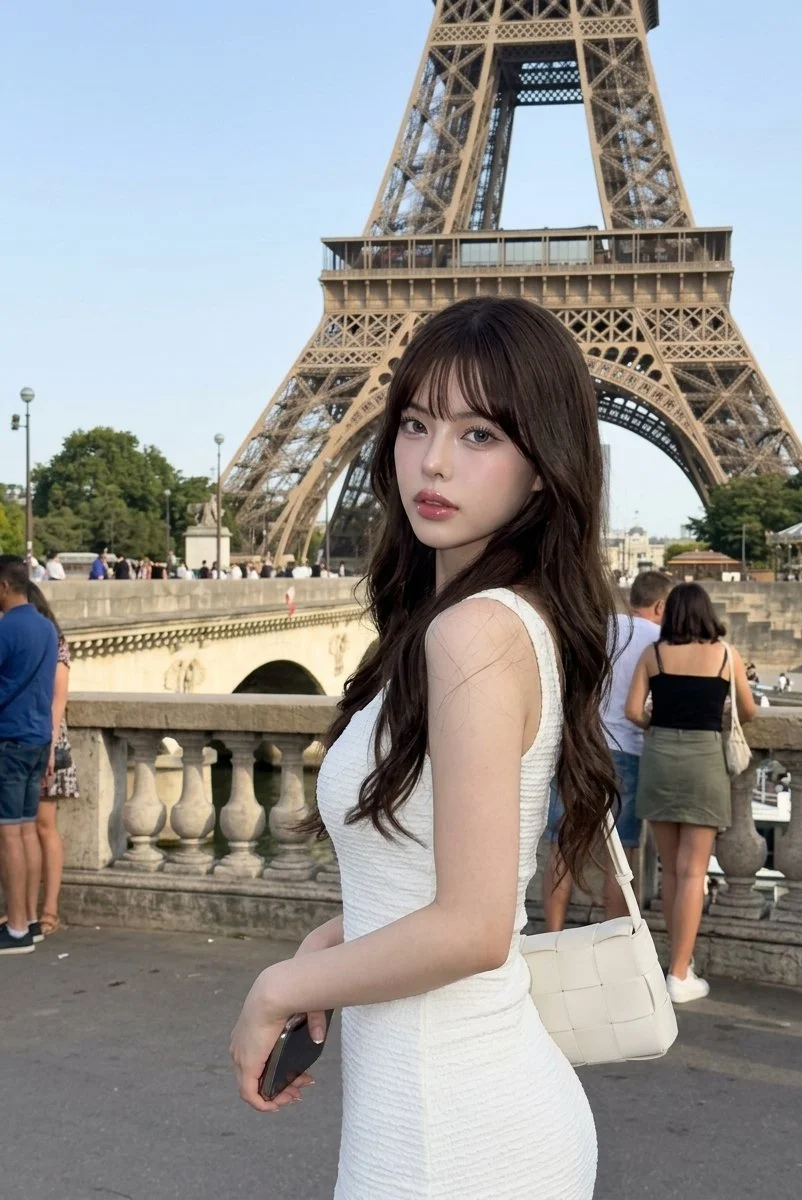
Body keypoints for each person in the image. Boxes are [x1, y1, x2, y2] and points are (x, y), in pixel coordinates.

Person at [229, 297, 617, 1197]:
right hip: (447, 1108)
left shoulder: (473, 632)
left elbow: (474, 928)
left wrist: (277, 989)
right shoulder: (490, 619)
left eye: (479, 434)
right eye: (415, 423)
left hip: (453, 1134)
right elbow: (445, 889)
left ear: (543, 468)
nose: (433, 461)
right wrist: (332, 944)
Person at [625, 582, 757, 1003]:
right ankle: (680, 972)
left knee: (670, 869)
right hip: (704, 759)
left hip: (661, 756)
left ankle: (677, 962)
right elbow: (749, 711)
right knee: (693, 872)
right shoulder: (726, 655)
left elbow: (632, 711)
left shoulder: (655, 654)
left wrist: (656, 725)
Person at [542, 570, 672, 930]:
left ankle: (552, 935)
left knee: (561, 848)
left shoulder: (602, 626)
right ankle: (613, 939)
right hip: (626, 748)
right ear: (661, 605)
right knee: (621, 856)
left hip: (579, 745)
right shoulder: (659, 640)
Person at [0, 555, 58, 954]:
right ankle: (32, 920)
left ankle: (17, 927)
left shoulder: (7, 628)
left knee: (9, 834)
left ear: (4, 587)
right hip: (38, 738)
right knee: (27, 830)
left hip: (9, 738)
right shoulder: (46, 627)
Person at [26, 583, 78, 935]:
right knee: (23, 829)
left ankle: (49, 910)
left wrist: (49, 745)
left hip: (48, 740)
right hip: (29, 736)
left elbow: (58, 701)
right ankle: (25, 912)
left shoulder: (54, 642)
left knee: (43, 826)